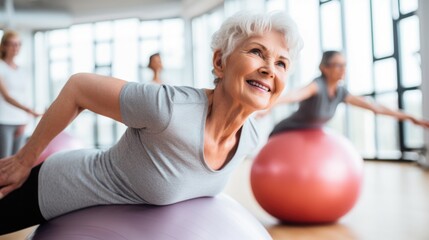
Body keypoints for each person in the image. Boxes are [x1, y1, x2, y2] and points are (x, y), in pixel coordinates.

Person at [0, 11, 303, 235]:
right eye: (256, 52)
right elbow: (78, 88)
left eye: (281, 63)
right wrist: (24, 160)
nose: (269, 70)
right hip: (58, 188)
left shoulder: (250, 136)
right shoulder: (170, 109)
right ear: (220, 62)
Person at [259, 50, 429, 137]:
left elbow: (375, 107)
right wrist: (269, 104)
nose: (343, 69)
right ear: (324, 68)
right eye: (337, 65)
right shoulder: (317, 86)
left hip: (311, 137)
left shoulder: (341, 92)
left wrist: (410, 117)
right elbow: (294, 95)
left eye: (344, 64)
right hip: (287, 133)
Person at [0, 30, 41, 159]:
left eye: (18, 44)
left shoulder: (23, 70)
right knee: (4, 160)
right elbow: (6, 97)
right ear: (4, 46)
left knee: (16, 161)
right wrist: (28, 110)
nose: (15, 48)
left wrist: (25, 119)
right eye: (12, 44)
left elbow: (25, 96)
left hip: (20, 121)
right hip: (4, 120)